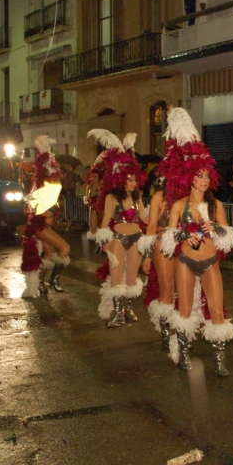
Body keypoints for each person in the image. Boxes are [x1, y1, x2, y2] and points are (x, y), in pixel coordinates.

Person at [161, 108, 233, 377]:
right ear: (189, 177)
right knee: (184, 310)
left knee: (216, 310)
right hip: (186, 262)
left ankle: (219, 361)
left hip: (210, 262)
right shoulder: (179, 204)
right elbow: (168, 239)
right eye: (199, 176)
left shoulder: (215, 204)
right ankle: (183, 353)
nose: (204, 180)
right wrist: (183, 234)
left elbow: (228, 237)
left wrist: (215, 227)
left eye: (207, 176)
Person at [90, 131, 147, 328]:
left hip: (136, 239)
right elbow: (105, 221)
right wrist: (105, 240)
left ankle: (128, 309)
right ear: (121, 179)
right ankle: (119, 313)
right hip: (118, 239)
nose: (133, 184)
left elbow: (145, 219)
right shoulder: (112, 197)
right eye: (129, 180)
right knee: (116, 276)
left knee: (131, 276)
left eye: (135, 180)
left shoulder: (138, 198)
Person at [20, 136, 71, 298]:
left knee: (48, 255)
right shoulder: (44, 185)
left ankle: (41, 282)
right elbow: (32, 205)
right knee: (65, 248)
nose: (55, 167)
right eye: (51, 164)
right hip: (40, 225)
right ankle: (54, 280)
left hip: (45, 224)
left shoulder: (48, 185)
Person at [138, 172, 175, 349]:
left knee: (185, 291)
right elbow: (152, 225)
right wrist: (148, 254)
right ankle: (166, 330)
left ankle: (181, 332)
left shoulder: (190, 196)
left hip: (185, 247)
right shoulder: (160, 196)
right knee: (167, 289)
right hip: (162, 246)